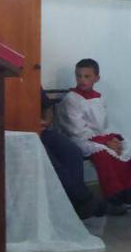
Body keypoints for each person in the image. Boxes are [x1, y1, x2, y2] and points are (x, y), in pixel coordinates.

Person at [57, 59, 131, 216]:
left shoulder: (99, 97)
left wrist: (113, 138)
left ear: (96, 78)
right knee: (103, 154)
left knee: (130, 147)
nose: (82, 80)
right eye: (79, 76)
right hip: (80, 139)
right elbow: (76, 129)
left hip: (101, 137)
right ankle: (113, 197)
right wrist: (105, 142)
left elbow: (105, 124)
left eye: (87, 76)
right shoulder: (72, 99)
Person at [39, 90, 107, 219]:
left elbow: (47, 106)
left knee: (73, 152)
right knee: (52, 161)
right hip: (20, 134)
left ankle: (76, 204)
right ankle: (85, 199)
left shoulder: (30, 77)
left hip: (41, 131)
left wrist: (46, 121)